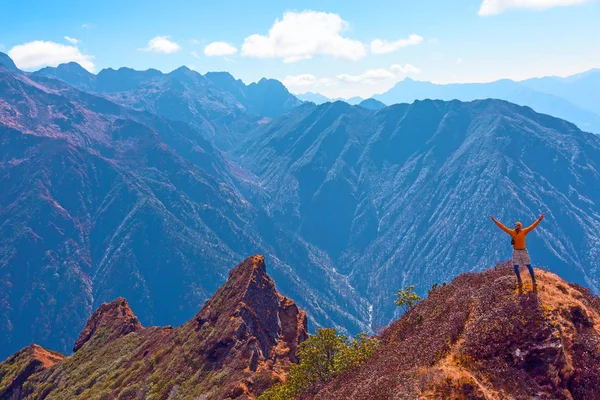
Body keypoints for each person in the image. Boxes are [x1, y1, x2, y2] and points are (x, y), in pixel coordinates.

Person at [490, 213, 545, 288]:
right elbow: (502, 227)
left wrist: (540, 219)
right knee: (515, 266)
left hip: (523, 251)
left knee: (528, 265)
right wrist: (494, 220)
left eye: (516, 225)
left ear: (520, 226)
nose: (515, 226)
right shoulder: (512, 232)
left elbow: (533, 226)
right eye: (515, 225)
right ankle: (519, 280)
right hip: (516, 251)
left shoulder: (524, 231)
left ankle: (533, 280)